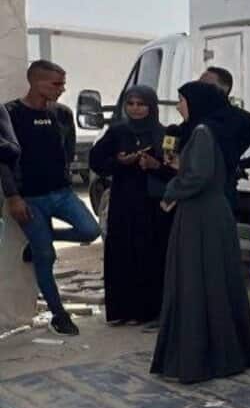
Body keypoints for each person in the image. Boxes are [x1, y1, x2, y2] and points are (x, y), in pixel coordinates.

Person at [150, 81, 250, 384]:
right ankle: (229, 352)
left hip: (200, 214)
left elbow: (197, 177)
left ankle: (201, 357)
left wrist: (171, 191)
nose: (179, 107)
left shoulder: (201, 132)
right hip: (215, 211)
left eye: (182, 101)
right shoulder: (212, 129)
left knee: (196, 281)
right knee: (217, 280)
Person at [5, 60, 100, 336]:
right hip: (29, 198)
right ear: (36, 82)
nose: (62, 89)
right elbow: (4, 162)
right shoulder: (10, 114)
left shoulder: (62, 113)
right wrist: (13, 197)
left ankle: (40, 241)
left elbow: (68, 149)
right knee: (45, 257)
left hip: (61, 193)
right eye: (56, 84)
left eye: (63, 83)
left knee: (90, 229)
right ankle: (59, 314)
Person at [88, 86, 173, 328]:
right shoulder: (117, 132)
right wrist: (120, 162)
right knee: (121, 253)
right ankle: (122, 311)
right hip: (124, 202)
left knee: (150, 254)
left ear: (151, 107)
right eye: (131, 104)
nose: (136, 109)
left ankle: (148, 311)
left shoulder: (164, 134)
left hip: (153, 204)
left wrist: (155, 165)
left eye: (141, 104)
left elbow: (175, 170)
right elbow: (97, 162)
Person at [198, 66, 250, 210]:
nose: (198, 88)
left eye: (203, 84)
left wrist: (242, 164)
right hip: (193, 193)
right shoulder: (195, 116)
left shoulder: (241, 119)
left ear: (222, 90)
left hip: (223, 194)